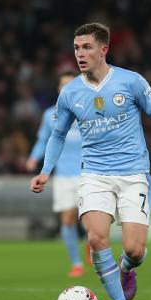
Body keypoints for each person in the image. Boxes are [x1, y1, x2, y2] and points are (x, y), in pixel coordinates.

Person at [30, 22, 151, 300]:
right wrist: (45, 171)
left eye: (86, 47)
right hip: (94, 175)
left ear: (103, 49)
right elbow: (57, 134)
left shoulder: (131, 81)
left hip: (133, 174)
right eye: (76, 48)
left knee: (134, 250)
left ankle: (127, 267)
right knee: (97, 238)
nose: (80, 54)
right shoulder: (70, 93)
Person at [26, 70, 90, 278]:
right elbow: (43, 140)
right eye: (63, 85)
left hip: (89, 172)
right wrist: (34, 157)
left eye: (71, 84)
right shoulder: (49, 115)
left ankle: (92, 244)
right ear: (58, 88)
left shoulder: (89, 109)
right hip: (63, 175)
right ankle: (76, 263)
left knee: (91, 219)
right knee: (68, 219)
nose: (67, 88)